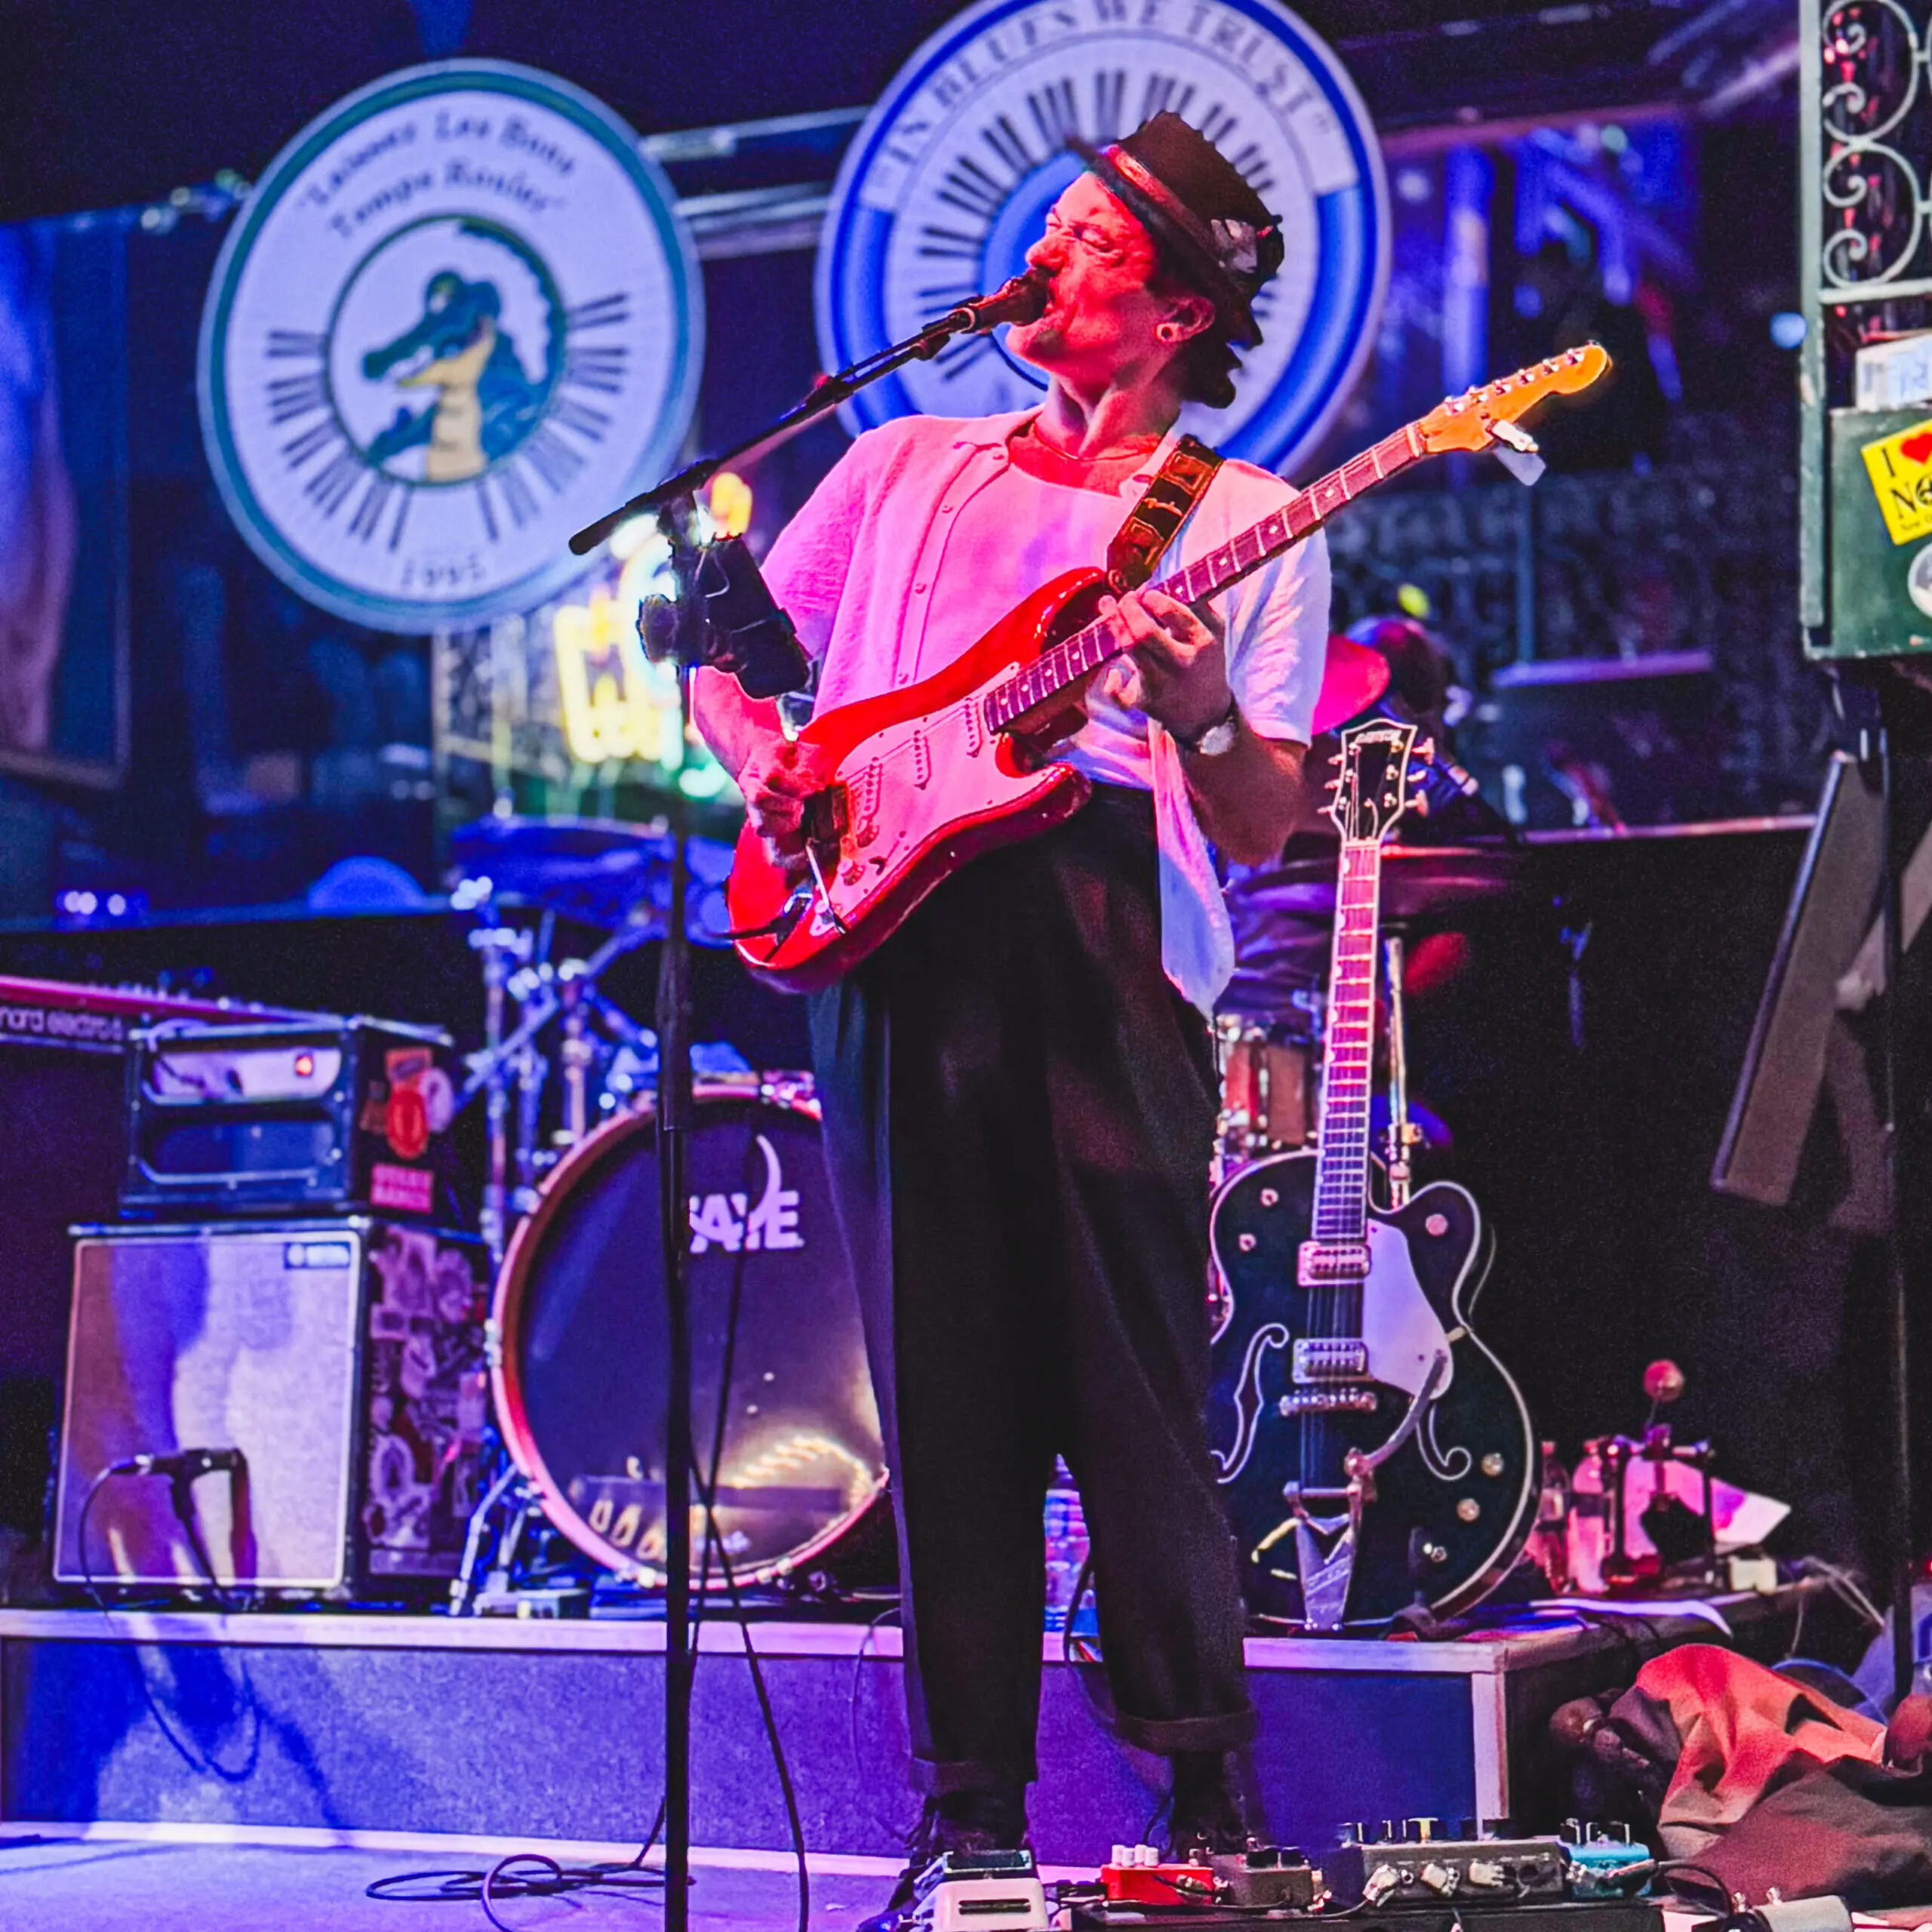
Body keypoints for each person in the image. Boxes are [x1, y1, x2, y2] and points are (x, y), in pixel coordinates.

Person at [694, 113, 1330, 1910]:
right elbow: (734, 653)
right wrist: (762, 763)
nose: (1042, 256)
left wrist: (1201, 713)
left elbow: (1262, 818)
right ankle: (966, 1809)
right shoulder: (901, 459)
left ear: (1177, 309)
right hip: (887, 928)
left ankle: (1204, 1789)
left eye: (1088, 239)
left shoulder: (1244, 518)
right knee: (941, 1383)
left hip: (1099, 925)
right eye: (1044, 227)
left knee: (1131, 1375)